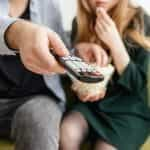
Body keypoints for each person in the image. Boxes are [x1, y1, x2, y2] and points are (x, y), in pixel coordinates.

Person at [60, 0, 150, 150]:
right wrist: (82, 89)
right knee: (66, 133)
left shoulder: (140, 20)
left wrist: (115, 42)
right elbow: (76, 75)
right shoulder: (80, 22)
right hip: (91, 107)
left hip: (128, 112)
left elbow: (137, 85)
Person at [0, 0, 70, 150]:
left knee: (40, 118)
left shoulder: (50, 5)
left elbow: (63, 50)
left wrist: (80, 50)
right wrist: (19, 32)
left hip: (35, 99)